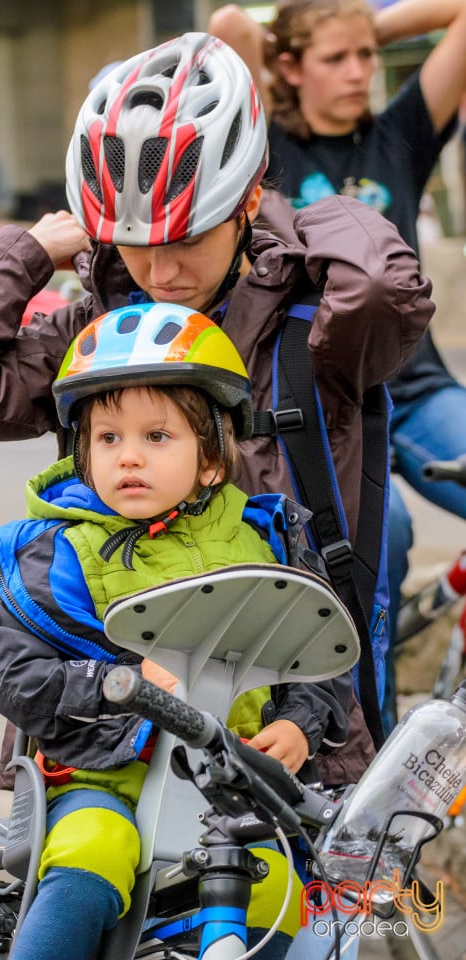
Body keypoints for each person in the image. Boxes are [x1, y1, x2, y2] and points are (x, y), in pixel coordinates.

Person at [0, 31, 432, 769]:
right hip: (119, 721)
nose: (161, 268)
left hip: (299, 720)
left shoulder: (315, 327)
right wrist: (23, 254)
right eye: (137, 241)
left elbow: (381, 288)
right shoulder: (97, 330)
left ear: (243, 200)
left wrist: (296, 212)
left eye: (189, 236)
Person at [0, 301, 352, 960]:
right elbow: (15, 676)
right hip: (101, 782)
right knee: (91, 861)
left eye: (157, 437)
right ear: (83, 450)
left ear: (212, 460)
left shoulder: (266, 541)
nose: (129, 457)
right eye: (108, 438)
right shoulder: (58, 555)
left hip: (229, 790)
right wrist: (113, 683)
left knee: (278, 899)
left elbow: (319, 660)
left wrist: (299, 723)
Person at [208, 0, 466, 733]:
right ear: (288, 68)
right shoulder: (267, 141)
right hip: (324, 401)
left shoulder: (398, 136)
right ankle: (367, 735)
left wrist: (356, 26)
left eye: (365, 58)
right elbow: (226, 27)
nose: (358, 73)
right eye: (336, 60)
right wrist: (304, 34)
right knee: (378, 542)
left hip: (413, 386)